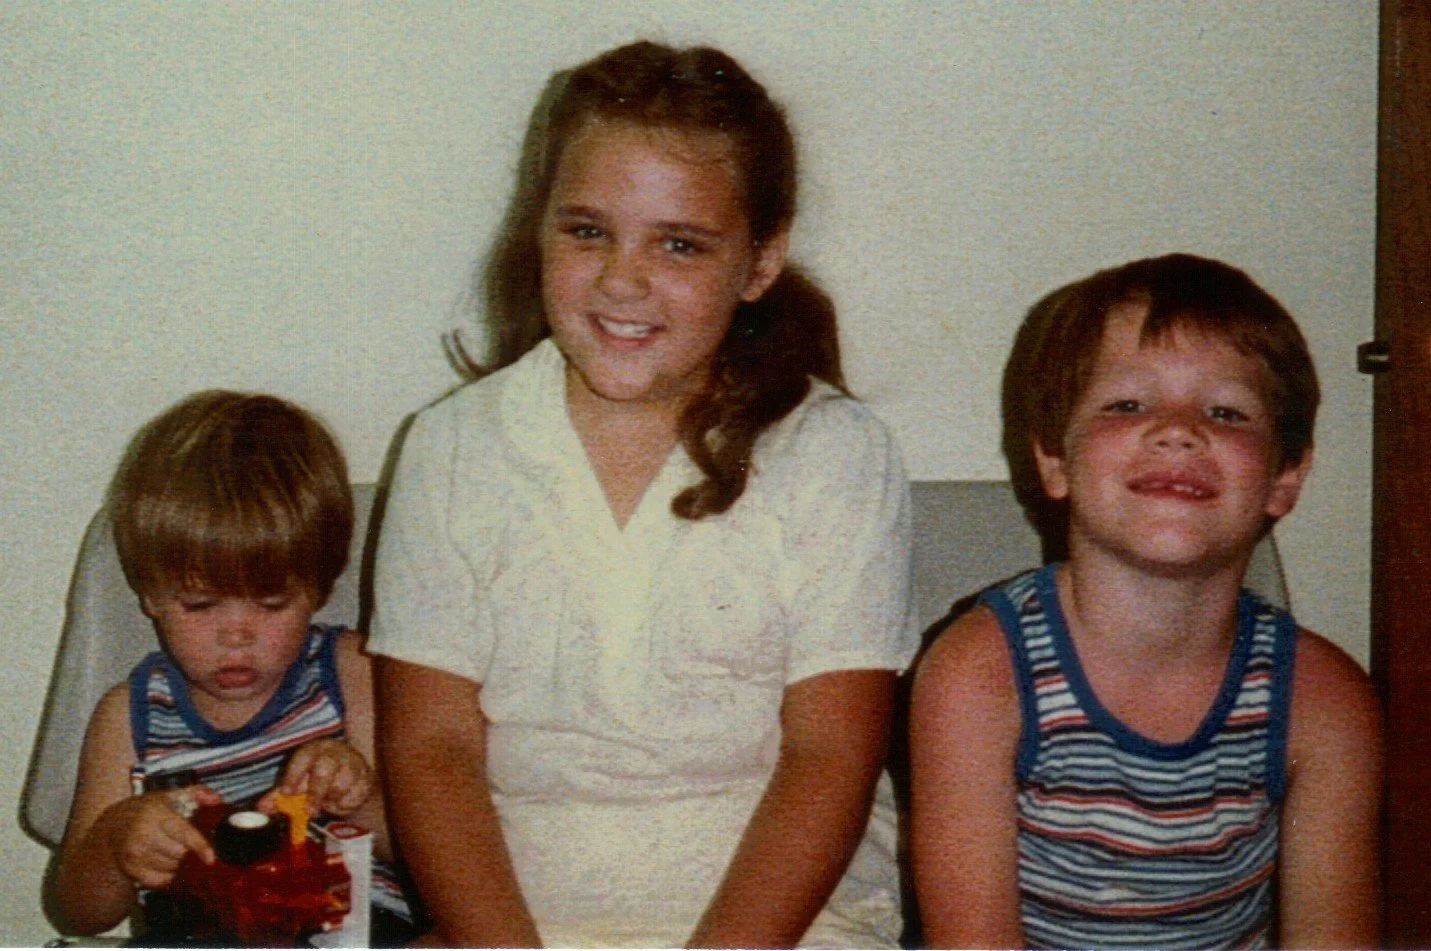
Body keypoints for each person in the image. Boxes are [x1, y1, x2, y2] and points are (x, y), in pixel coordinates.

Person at [368, 40, 918, 948]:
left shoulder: (835, 454)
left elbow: (830, 755)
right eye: (586, 230)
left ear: (759, 263)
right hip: (519, 926)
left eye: (678, 244)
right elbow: (434, 751)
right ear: (536, 228)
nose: (623, 279)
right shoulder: (453, 447)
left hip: (784, 929)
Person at [909, 254, 1383, 949]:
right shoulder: (978, 674)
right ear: (1053, 459)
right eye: (1127, 403)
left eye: (1225, 411)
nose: (1177, 428)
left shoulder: (1324, 702)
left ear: (1285, 476)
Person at [49, 390, 417, 944]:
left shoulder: (352, 672)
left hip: (351, 926)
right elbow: (80, 914)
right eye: (200, 605)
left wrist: (358, 796)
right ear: (150, 593)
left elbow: (436, 856)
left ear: (319, 588)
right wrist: (117, 841)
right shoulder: (129, 715)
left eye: (271, 604)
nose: (236, 636)